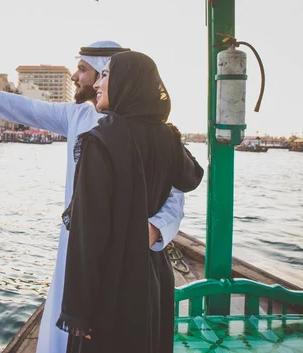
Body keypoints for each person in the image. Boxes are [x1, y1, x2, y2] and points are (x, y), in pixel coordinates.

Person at [0, 41, 188, 353]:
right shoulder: (77, 118)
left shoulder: (160, 133)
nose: (76, 77)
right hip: (81, 251)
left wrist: (154, 230)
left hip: (134, 259)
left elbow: (177, 194)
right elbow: (20, 107)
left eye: (85, 70)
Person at [57, 51, 203, 352]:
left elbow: (88, 235)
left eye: (107, 75)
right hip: (152, 277)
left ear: (126, 82)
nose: (98, 83)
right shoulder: (169, 138)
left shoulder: (101, 140)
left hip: (112, 285)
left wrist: (78, 313)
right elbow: (190, 178)